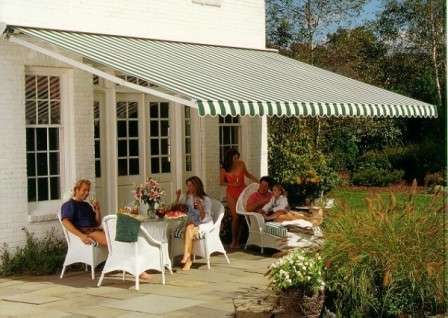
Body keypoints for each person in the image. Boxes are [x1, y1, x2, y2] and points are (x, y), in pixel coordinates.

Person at [220, 149, 258, 250]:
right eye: (235, 158)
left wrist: (259, 181)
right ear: (230, 157)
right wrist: (232, 184)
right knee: (235, 217)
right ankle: (233, 241)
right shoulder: (224, 168)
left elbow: (248, 174)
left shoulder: (241, 164)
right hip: (231, 192)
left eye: (238, 157)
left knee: (242, 216)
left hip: (242, 190)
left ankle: (240, 240)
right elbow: (221, 182)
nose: (237, 159)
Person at [175, 176, 213, 271]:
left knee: (188, 228)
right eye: (188, 186)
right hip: (191, 223)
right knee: (188, 228)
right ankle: (187, 257)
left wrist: (200, 208)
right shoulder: (188, 197)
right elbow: (177, 207)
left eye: (191, 185)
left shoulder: (206, 199)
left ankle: (188, 258)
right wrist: (178, 197)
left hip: (203, 224)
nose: (189, 188)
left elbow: (205, 218)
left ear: (197, 186)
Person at [60, 179, 107, 247]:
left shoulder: (87, 205)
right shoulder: (69, 204)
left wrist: (97, 209)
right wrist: (82, 236)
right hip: (86, 233)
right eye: (84, 190)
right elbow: (65, 222)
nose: (87, 193)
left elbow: (97, 223)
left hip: (95, 230)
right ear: (77, 190)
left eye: (88, 190)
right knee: (112, 241)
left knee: (118, 237)